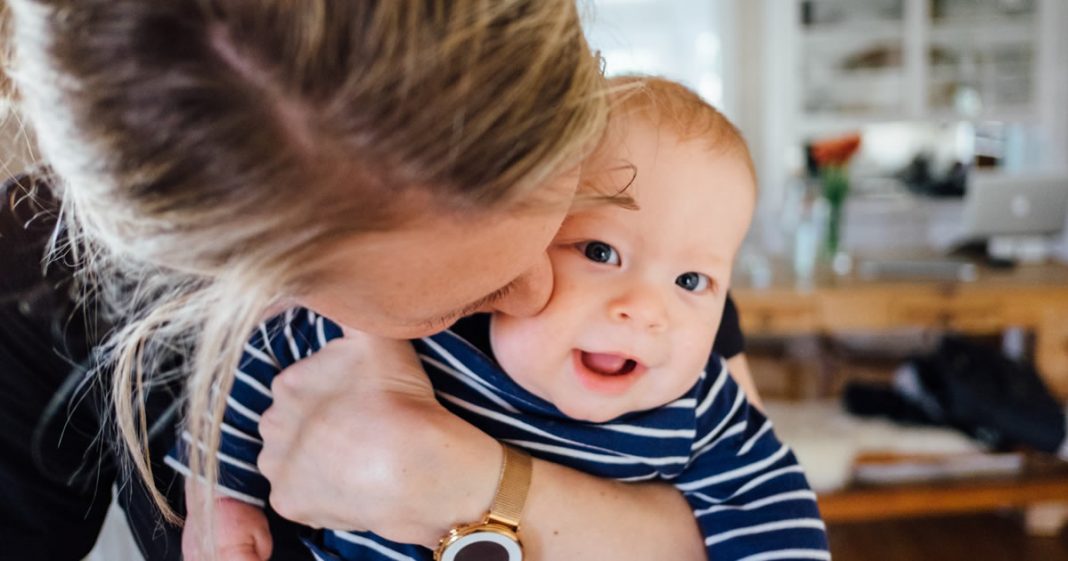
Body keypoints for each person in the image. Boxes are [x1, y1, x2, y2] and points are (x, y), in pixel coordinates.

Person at [0, 2, 750, 560]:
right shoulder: (30, 293)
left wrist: (477, 487)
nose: (538, 293)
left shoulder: (636, 236)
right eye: (463, 300)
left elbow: (745, 506)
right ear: (248, 283)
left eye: (562, 228)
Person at [172, 77, 828, 561]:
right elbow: (258, 358)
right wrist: (220, 499)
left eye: (693, 280)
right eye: (600, 252)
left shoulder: (698, 402)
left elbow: (776, 512)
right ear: (521, 232)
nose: (646, 309)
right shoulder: (426, 325)